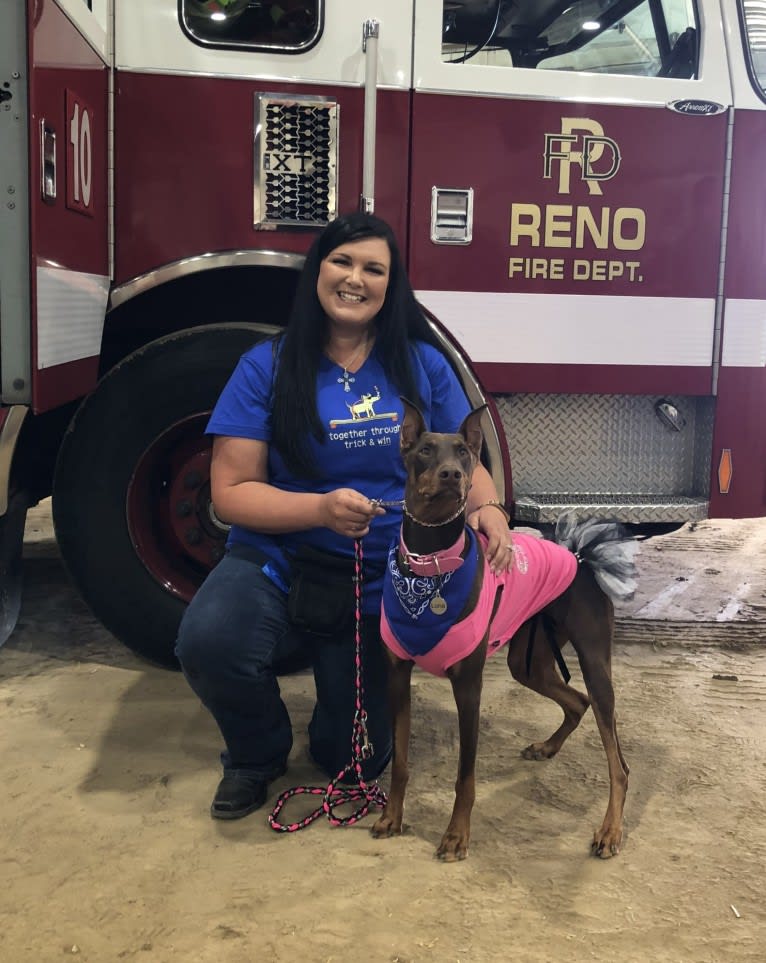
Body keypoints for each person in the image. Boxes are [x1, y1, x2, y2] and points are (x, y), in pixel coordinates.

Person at [175, 211, 514, 820]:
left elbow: (468, 460)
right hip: (281, 553)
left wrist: (489, 508)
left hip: (386, 571)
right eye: (342, 262)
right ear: (317, 273)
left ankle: (335, 718)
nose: (355, 278)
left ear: (391, 285)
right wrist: (319, 509)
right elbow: (229, 492)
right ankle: (257, 752)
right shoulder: (266, 365)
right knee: (209, 641)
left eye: (373, 268)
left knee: (349, 759)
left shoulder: (422, 363)